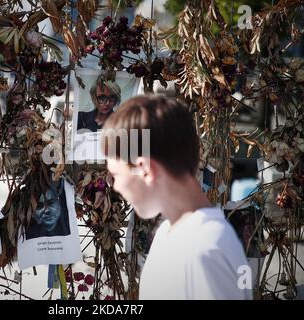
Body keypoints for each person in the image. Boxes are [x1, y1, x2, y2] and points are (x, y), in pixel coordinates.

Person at [101, 95, 252, 300]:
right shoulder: (175, 233)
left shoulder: (203, 248)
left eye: (116, 175)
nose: (115, 186)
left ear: (144, 169)